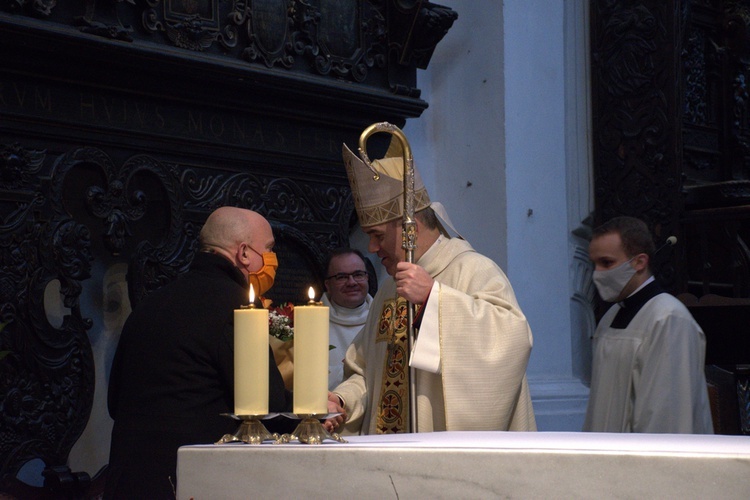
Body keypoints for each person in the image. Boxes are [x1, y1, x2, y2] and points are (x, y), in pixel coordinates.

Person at [105, 207, 344, 498]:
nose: (273, 260)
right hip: (188, 481)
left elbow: (114, 402)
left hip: (126, 479)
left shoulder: (150, 303)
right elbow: (265, 405)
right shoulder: (238, 309)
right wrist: (316, 409)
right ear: (244, 253)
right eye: (268, 249)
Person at [328, 140, 536, 434]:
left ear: (409, 227)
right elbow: (367, 371)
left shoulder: (473, 269)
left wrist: (433, 300)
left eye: (376, 235)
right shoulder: (388, 290)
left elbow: (512, 341)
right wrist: (341, 399)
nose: (372, 248)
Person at [583, 216, 713, 433]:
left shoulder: (668, 319)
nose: (598, 273)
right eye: (594, 264)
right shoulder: (611, 315)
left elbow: (668, 415)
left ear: (639, 262)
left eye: (607, 263)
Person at [322, 247, 373, 389]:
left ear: (367, 278)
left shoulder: (383, 317)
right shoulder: (310, 324)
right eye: (342, 277)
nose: (351, 282)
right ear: (328, 285)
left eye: (358, 275)